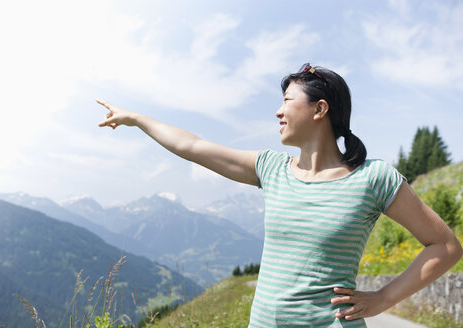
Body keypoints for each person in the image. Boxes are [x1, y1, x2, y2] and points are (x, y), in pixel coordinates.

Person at [97, 63, 463, 327]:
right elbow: (192, 145)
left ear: (320, 110)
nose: (277, 111)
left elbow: (445, 247)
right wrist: (137, 118)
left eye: (287, 100)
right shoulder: (271, 169)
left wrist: (384, 299)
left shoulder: (373, 178)